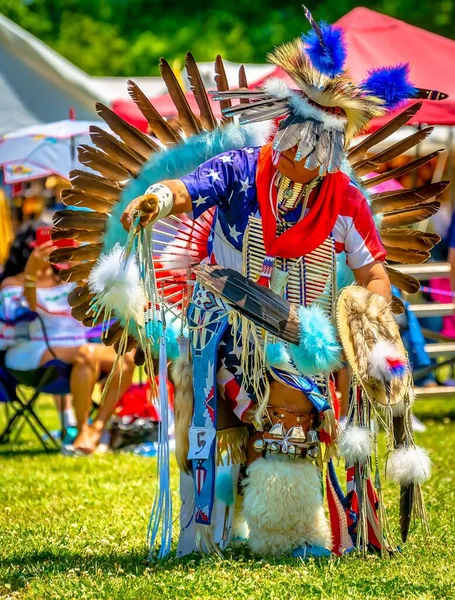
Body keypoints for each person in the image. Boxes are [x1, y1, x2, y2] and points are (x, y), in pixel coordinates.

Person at [54, 7, 446, 558]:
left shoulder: (346, 202)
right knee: (208, 428)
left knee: (290, 420)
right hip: (222, 324)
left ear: (329, 155)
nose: (294, 164)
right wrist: (159, 198)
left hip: (299, 336)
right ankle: (210, 529)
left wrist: (368, 322)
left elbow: (373, 273)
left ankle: (287, 534)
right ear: (280, 134)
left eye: (310, 157)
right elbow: (193, 186)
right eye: (289, 149)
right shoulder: (241, 169)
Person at [0, 226, 135, 454]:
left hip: (76, 347)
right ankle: (81, 429)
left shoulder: (67, 278)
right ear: (28, 249)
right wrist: (32, 272)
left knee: (126, 358)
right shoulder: (12, 283)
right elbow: (28, 309)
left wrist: (77, 266)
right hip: (30, 348)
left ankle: (97, 427)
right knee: (86, 353)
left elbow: (94, 301)